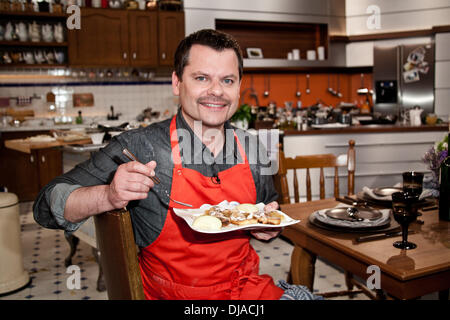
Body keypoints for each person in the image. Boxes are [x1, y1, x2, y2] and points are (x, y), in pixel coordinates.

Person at [33, 29, 321, 300]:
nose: (217, 91)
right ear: (176, 82)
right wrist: (108, 195)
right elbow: (45, 206)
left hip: (245, 291)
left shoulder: (253, 146)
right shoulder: (139, 147)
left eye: (228, 80)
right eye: (201, 78)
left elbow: (270, 209)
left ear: (239, 87)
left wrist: (268, 226)